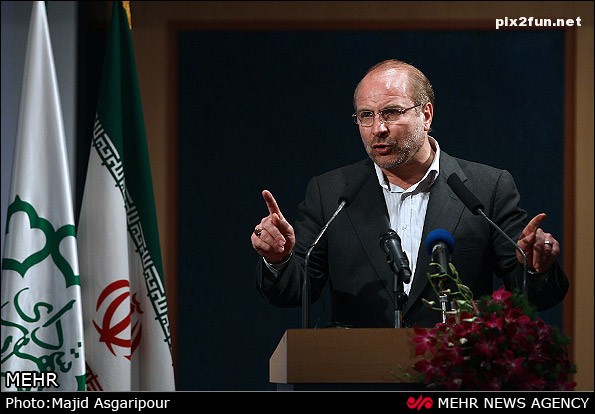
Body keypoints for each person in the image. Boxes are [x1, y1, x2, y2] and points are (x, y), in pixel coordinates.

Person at [250, 59, 569, 328]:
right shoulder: (331, 192)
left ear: (426, 115)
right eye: (366, 115)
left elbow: (534, 297)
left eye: (391, 112)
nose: (378, 128)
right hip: (358, 369)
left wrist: (536, 268)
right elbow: (294, 292)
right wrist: (279, 260)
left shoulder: (487, 187)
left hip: (454, 372)